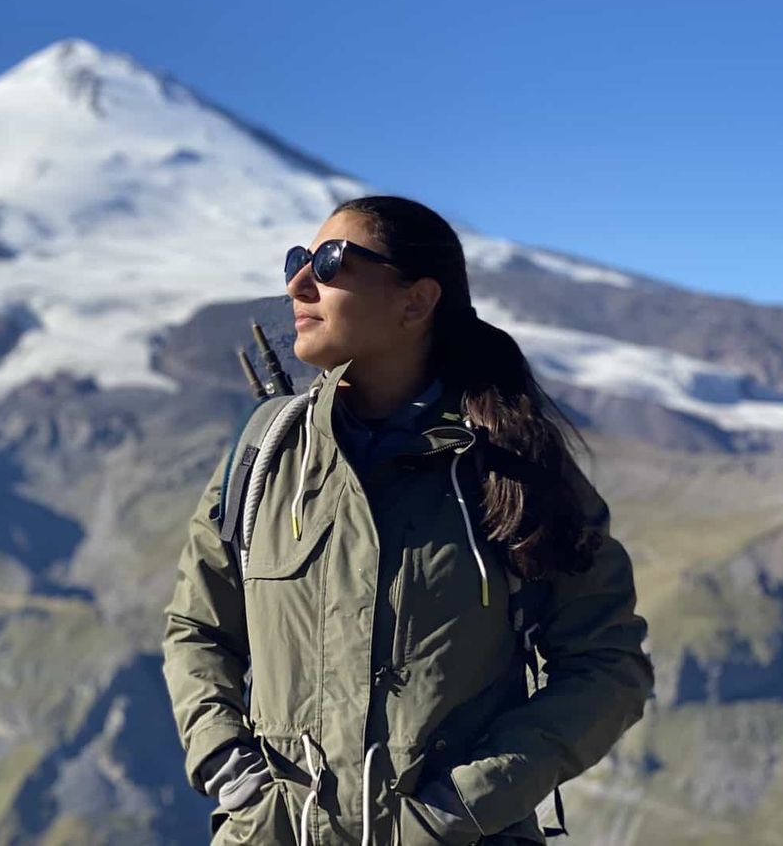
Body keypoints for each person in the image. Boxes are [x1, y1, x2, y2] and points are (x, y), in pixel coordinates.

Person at [161, 195, 653, 845]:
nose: (298, 284)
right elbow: (196, 629)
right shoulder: (266, 455)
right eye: (297, 260)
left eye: (330, 262)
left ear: (416, 301)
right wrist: (235, 775)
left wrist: (460, 808)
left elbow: (606, 663)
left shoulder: (513, 466)